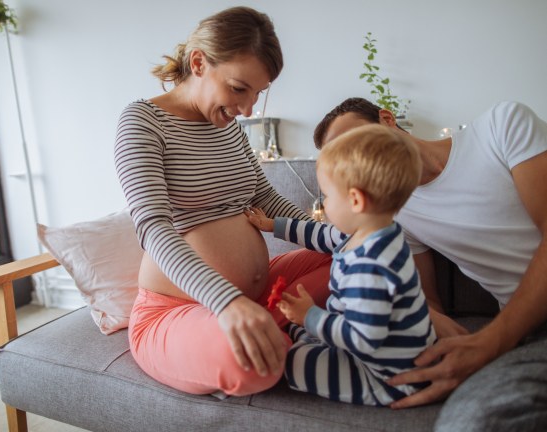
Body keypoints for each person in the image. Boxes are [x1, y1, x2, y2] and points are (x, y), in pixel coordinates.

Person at [113, 6, 332, 397]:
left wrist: (334, 235)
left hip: (257, 297)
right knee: (256, 364)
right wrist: (226, 300)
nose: (247, 110)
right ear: (198, 62)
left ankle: (274, 327)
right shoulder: (143, 122)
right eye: (238, 88)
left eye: (258, 94)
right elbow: (153, 227)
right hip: (176, 309)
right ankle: (274, 335)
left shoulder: (227, 127)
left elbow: (265, 197)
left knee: (354, 253)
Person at [315, 97, 547, 428]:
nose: (359, 157)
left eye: (358, 139)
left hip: (510, 331)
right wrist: (427, 356)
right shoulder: (390, 215)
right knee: (469, 420)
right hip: (532, 336)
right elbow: (428, 303)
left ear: (386, 119)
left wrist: (492, 341)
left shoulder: (503, 126)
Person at [245, 124, 437, 405]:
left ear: (356, 200)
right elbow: (321, 234)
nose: (325, 205)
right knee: (296, 331)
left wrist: (310, 315)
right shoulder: (371, 231)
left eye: (327, 196)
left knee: (288, 360)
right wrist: (274, 225)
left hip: (385, 373)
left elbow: (363, 339)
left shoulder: (372, 266)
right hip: (372, 344)